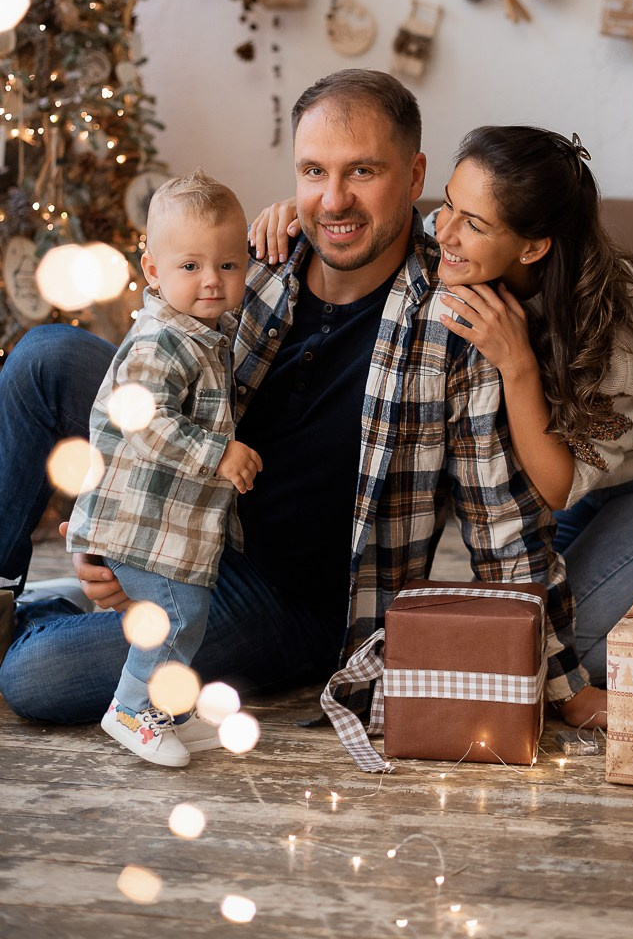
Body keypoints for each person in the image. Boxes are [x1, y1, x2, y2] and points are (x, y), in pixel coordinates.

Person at [0, 72, 601, 735]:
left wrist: (565, 686)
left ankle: (48, 617)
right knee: (46, 358)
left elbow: (502, 524)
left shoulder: (457, 322)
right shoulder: (260, 257)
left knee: (39, 675)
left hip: (289, 601)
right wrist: (122, 531)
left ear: (414, 175)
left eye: (363, 171)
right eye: (314, 171)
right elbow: (153, 377)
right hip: (197, 510)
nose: (333, 199)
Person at [251, 126, 633, 681]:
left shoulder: (613, 320)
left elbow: (557, 488)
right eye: (449, 205)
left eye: (474, 224)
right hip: (575, 488)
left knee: (572, 653)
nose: (443, 231)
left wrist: (518, 364)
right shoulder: (448, 242)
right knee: (514, 633)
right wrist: (302, 218)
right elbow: (373, 233)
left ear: (532, 246)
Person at [65, 169, 261, 767]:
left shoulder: (204, 335)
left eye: (228, 265)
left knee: (189, 616)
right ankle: (131, 708)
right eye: (191, 266)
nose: (212, 280)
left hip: (171, 524)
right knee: (175, 617)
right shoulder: (162, 341)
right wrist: (218, 452)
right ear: (152, 270)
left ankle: (167, 709)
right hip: (141, 522)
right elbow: (142, 420)